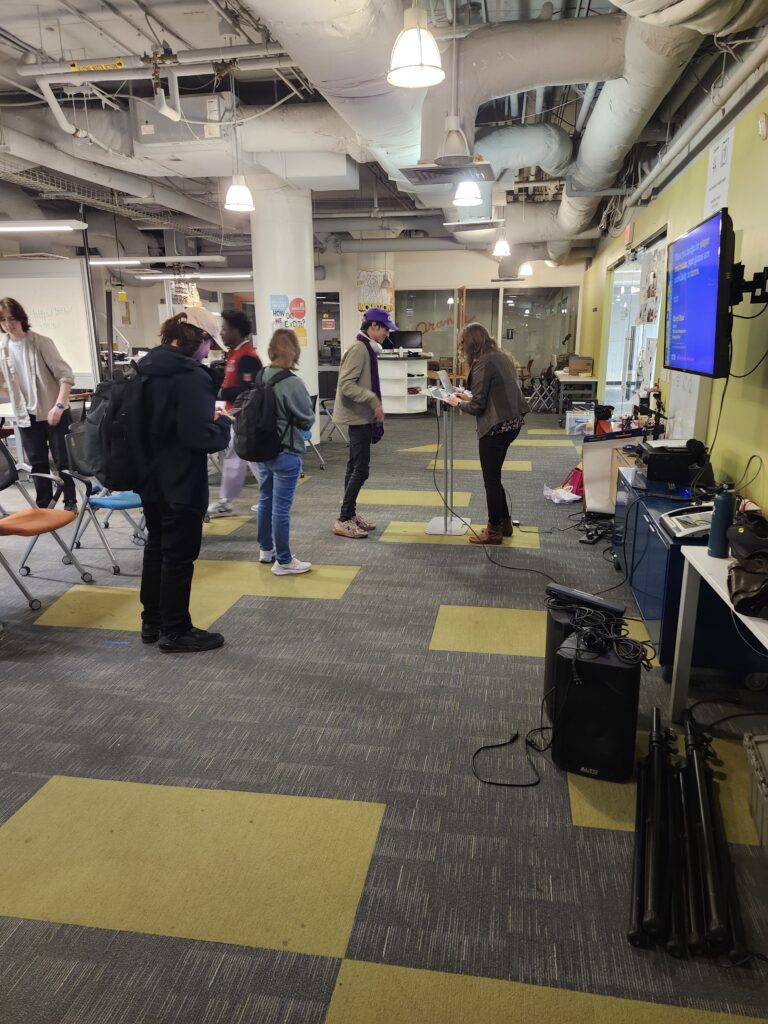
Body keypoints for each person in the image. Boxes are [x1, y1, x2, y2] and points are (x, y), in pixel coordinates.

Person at [137, 312, 231, 653]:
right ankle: (176, 630)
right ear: (198, 337)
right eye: (208, 344)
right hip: (181, 478)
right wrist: (222, 425)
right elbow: (198, 437)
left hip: (149, 475)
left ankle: (152, 621)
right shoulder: (190, 375)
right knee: (179, 555)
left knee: (156, 546)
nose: (208, 353)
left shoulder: (146, 367)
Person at [446, 322, 529, 545]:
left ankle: (493, 531)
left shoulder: (483, 362)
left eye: (462, 343)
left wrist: (456, 402)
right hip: (512, 423)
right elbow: (491, 393)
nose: (461, 348)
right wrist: (466, 396)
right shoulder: (500, 356)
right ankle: (505, 524)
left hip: (496, 426)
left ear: (471, 343)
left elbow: (478, 407)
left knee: (490, 481)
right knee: (495, 478)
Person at [0, 297, 77, 510]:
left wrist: (59, 406)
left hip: (54, 411)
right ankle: (44, 506)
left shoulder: (41, 343)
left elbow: (66, 376)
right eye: (3, 320)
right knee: (37, 463)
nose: (8, 324)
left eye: (12, 318)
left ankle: (70, 501)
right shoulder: (3, 349)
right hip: (25, 415)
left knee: (62, 461)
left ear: (21, 318)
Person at [254, 329, 315, 575]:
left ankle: (265, 549)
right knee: (281, 508)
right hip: (286, 451)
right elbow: (307, 419)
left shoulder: (261, 375)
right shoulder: (292, 382)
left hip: (262, 448)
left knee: (265, 500)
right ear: (294, 352)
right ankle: (284, 561)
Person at [332, 307, 392, 539]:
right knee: (360, 469)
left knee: (354, 467)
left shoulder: (367, 348)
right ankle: (343, 519)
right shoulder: (359, 349)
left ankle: (349, 515)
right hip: (358, 416)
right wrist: (373, 400)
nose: (387, 334)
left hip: (361, 415)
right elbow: (346, 385)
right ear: (373, 326)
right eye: (385, 329)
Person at [206, 309, 262, 518]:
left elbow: (250, 389)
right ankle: (226, 501)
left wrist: (223, 392)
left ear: (236, 331)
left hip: (245, 417)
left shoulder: (247, 356)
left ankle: (271, 497)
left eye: (225, 329)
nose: (221, 333)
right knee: (235, 457)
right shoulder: (234, 354)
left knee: (253, 459)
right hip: (235, 416)